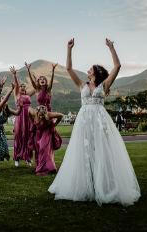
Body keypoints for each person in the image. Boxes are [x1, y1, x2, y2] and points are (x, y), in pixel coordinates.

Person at [49, 38, 141, 205]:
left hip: (100, 121)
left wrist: (111, 47)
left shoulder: (104, 86)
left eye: (91, 68)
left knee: (101, 151)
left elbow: (117, 66)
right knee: (84, 152)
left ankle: (103, 186)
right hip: (84, 122)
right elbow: (68, 68)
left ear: (96, 72)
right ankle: (86, 187)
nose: (88, 70)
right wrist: (69, 48)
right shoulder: (81, 84)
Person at [0, 82, 21, 171]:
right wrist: (11, 89)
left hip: (0, 130)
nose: (4, 100)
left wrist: (21, 107)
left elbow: (18, 113)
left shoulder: (7, 110)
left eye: (4, 99)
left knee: (3, 149)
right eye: (2, 99)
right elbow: (5, 98)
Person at [10, 66, 34, 167]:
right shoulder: (17, 95)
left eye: (24, 86)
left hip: (28, 118)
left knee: (28, 137)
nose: (23, 87)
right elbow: (16, 84)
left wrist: (34, 77)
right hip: (20, 118)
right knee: (19, 136)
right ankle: (17, 158)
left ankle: (28, 158)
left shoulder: (28, 95)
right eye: (21, 86)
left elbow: (36, 88)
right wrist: (15, 74)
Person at [30, 106, 64, 175]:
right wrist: (31, 121)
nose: (41, 117)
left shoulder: (48, 115)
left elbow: (61, 115)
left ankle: (43, 168)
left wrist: (54, 124)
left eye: (43, 115)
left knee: (43, 149)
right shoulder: (34, 114)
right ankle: (40, 166)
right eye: (40, 115)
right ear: (37, 114)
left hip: (46, 133)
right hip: (37, 134)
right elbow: (28, 110)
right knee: (38, 151)